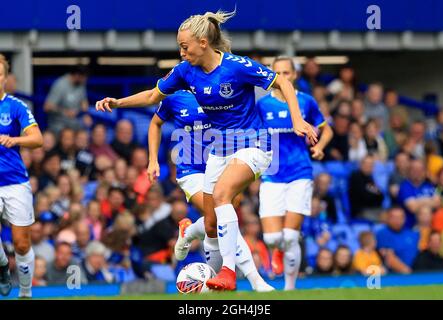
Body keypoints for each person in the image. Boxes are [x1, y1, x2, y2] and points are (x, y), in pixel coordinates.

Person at [95, 10, 317, 291]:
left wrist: (297, 119)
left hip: (254, 144)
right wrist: (117, 102)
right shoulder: (184, 71)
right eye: (179, 47)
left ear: (203, 43)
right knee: (212, 219)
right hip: (220, 151)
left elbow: (282, 82)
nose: (181, 52)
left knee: (223, 196)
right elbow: (153, 96)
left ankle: (229, 272)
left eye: (184, 46)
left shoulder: (237, 66)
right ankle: (194, 236)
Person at [147, 89, 274, 291]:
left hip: (223, 163)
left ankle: (188, 231)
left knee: (213, 224)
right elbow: (155, 122)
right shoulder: (176, 94)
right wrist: (153, 159)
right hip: (191, 171)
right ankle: (255, 280)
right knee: (217, 217)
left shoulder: (223, 90)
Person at [256, 56, 333, 290]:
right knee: (271, 239)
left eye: (286, 73)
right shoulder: (262, 105)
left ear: (295, 75)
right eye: (277, 73)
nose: (282, 77)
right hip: (271, 175)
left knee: (290, 236)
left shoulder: (306, 102)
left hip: (300, 172)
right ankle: (278, 255)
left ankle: (289, 289)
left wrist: (318, 147)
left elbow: (326, 130)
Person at [0, 54, 44, 298]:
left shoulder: (15, 106)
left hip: (15, 181)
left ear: (5, 78)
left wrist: (14, 139)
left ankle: (25, 292)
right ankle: (2, 266)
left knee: (22, 244)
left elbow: (37, 139)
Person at [44, 65, 89, 134]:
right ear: (77, 75)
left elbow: (84, 102)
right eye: (84, 78)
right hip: (59, 125)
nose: (85, 80)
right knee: (68, 135)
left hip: (75, 124)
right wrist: (65, 112)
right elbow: (47, 106)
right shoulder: (60, 84)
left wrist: (86, 115)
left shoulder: (81, 85)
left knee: (84, 135)